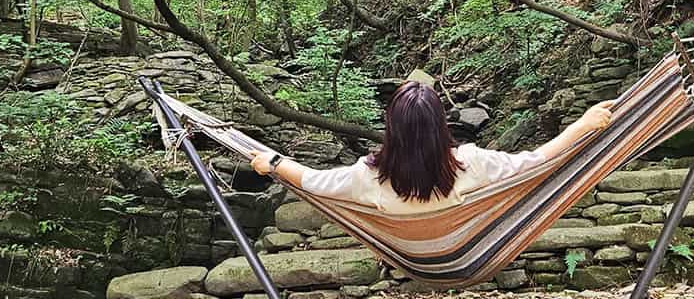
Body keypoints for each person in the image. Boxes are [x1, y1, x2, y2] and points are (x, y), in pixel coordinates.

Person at [249, 80, 615, 214]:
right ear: (441, 125)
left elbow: (311, 180)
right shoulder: (471, 162)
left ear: (392, 128)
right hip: (468, 251)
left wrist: (274, 162)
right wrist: (582, 125)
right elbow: (536, 160)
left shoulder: (367, 176)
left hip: (409, 253)